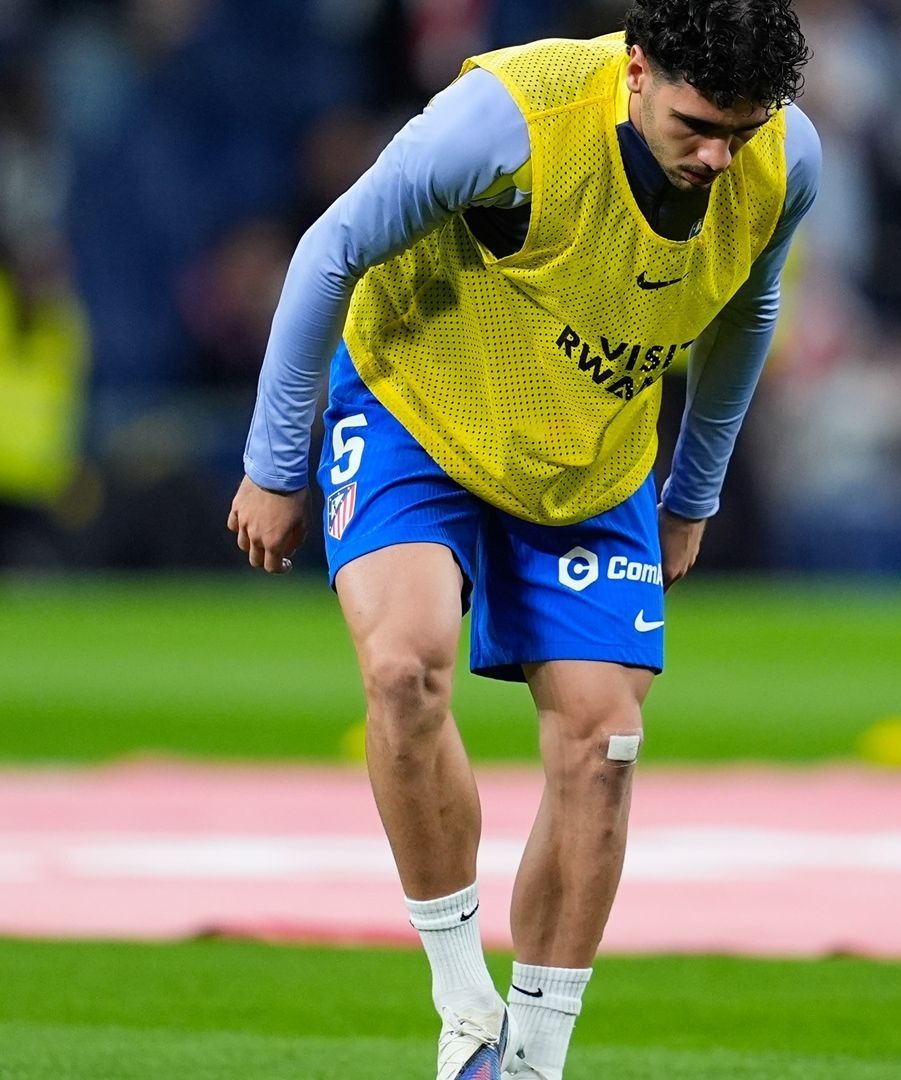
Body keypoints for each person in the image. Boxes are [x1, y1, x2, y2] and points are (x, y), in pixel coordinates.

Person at [228, 3, 817, 1077]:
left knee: (605, 746)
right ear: (636, 70)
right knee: (404, 671)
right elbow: (330, 250)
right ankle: (465, 1009)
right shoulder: (509, 119)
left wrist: (693, 494)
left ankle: (536, 1061)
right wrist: (274, 462)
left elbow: (749, 309)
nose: (718, 158)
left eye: (742, 131)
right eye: (696, 126)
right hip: (419, 409)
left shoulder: (785, 162)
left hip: (590, 448)